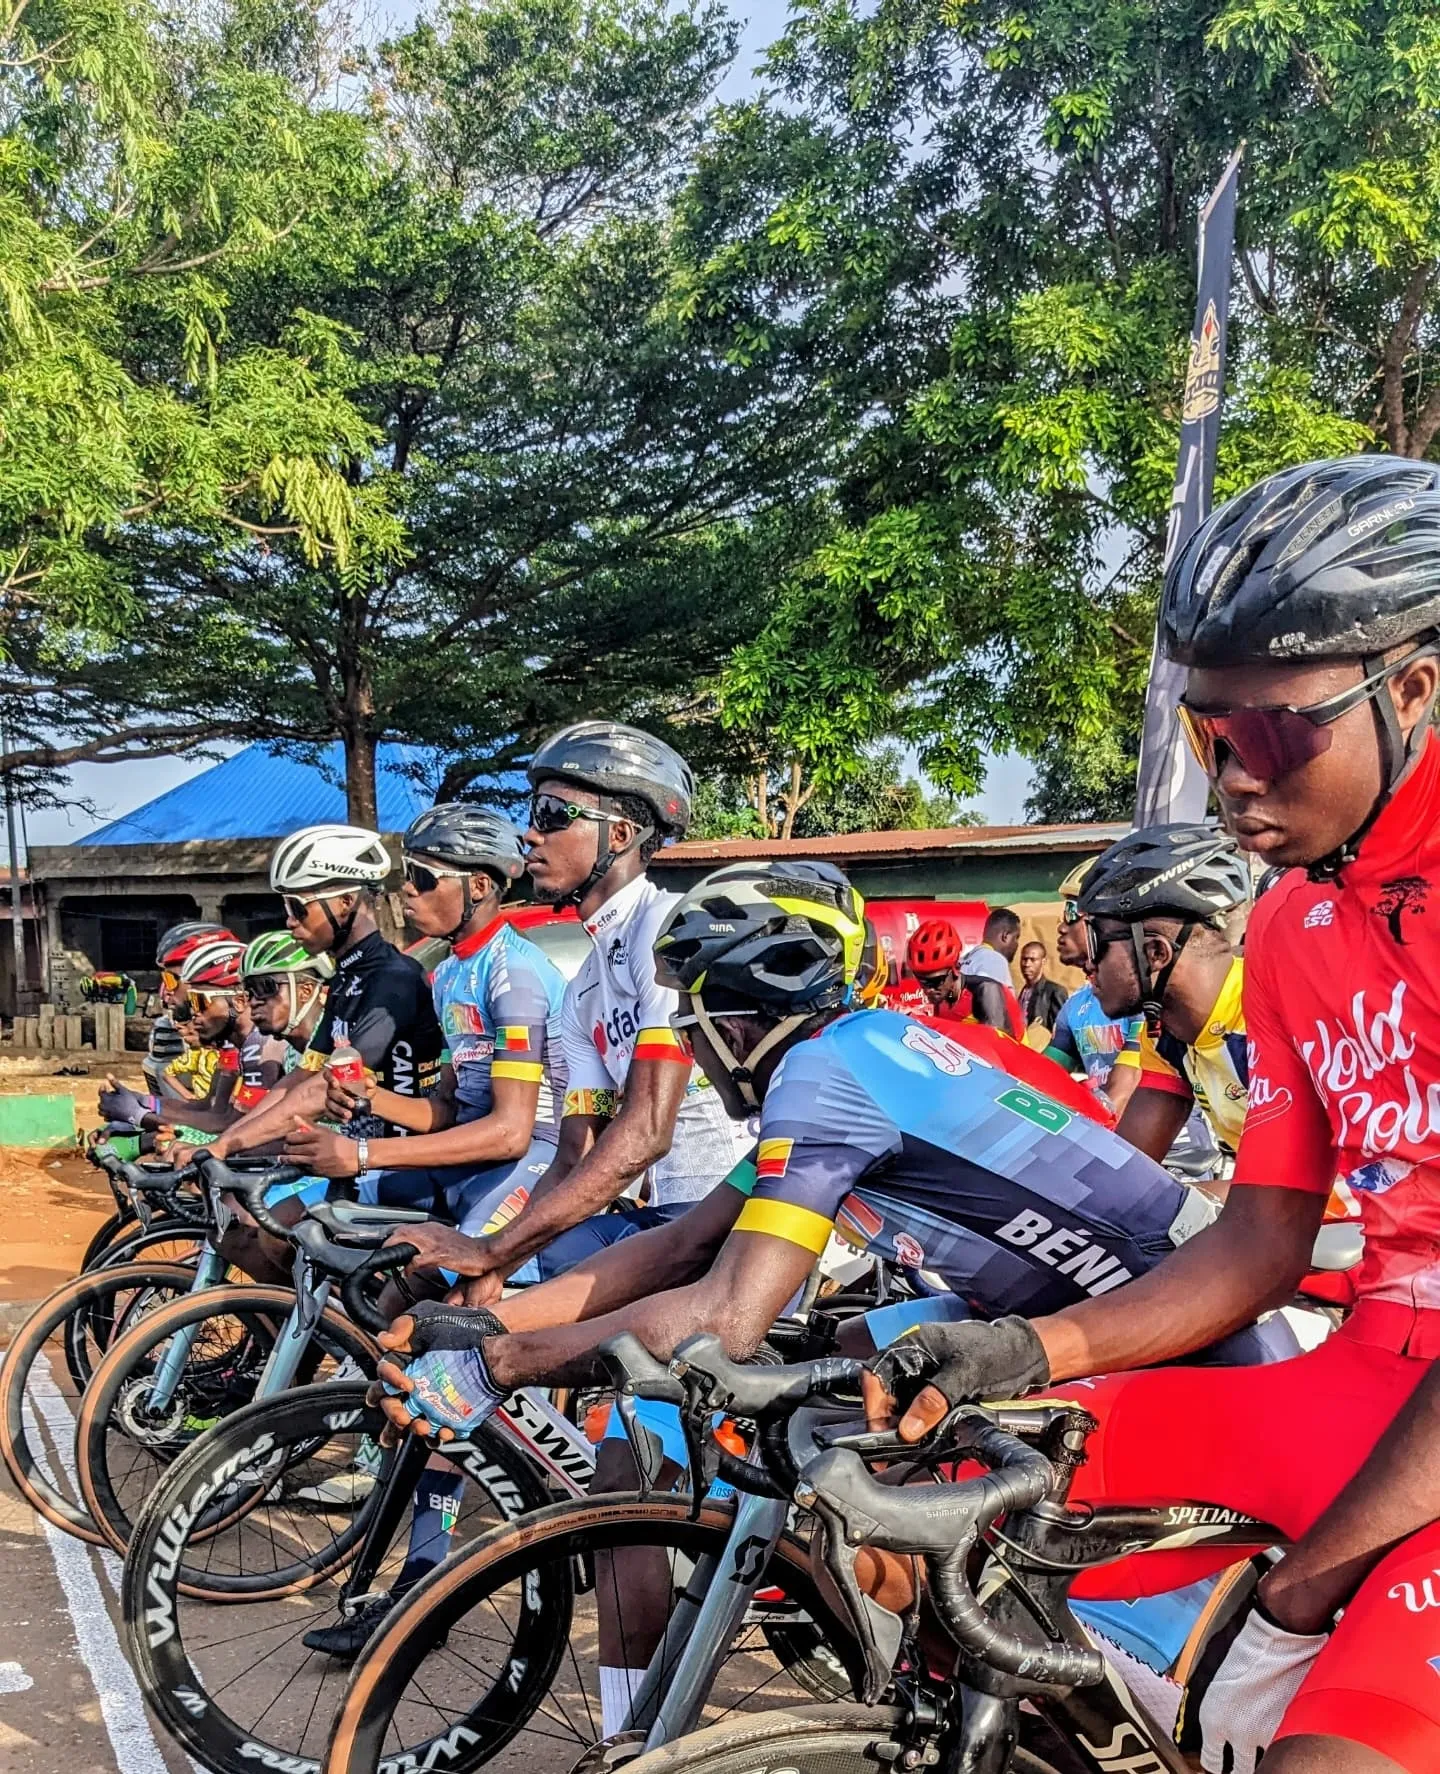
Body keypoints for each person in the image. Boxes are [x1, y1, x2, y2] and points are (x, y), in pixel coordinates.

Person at [870, 454, 1440, 1774]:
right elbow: (1256, 1244)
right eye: (1209, 735)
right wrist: (1022, 1350)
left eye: (1277, 732)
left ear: (1415, 685)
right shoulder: (1295, 923)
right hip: (1365, 1383)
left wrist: (1305, 1588)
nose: (1234, 778)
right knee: (937, 1501)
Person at [368, 858, 1290, 1450]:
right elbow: (680, 1244)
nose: (685, 1046)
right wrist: (499, 1321)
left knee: (877, 1491)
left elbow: (723, 1314)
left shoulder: (823, 1075)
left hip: (1183, 1344)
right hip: (1099, 1302)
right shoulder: (848, 1056)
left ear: (741, 1013)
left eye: (692, 1017)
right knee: (837, 1356)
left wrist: (499, 1366)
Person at [386, 723, 749, 1302]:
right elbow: (574, 1153)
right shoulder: (583, 990)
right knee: (446, 1290)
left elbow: (647, 1133)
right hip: (666, 1218)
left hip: (728, 1225)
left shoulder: (665, 931)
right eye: (532, 811)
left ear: (622, 833)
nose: (529, 835)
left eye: (554, 814)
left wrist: (495, 1251)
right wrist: (496, 1260)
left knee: (491, 1306)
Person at [286, 804, 566, 1239]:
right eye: (406, 877)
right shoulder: (450, 974)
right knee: (294, 1223)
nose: (407, 892)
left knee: (447, 1300)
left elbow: (511, 1132)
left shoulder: (514, 974)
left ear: (477, 885)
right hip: (470, 1159)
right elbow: (449, 1110)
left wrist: (361, 1153)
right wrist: (370, 1096)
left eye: (421, 878)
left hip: (528, 1160)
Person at [1078, 824, 1251, 1163]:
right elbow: (1130, 1174)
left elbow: (1286, 1199)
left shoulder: (1267, 1012)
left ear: (1155, 953)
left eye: (1095, 943)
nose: (1087, 964)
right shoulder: (1163, 1035)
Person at [1044, 859, 1142, 1115]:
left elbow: (1127, 1084)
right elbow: (1043, 1076)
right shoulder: (1074, 1007)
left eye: (1072, 912)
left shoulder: (1142, 1002)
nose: (1061, 926)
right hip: (1110, 1130)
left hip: (1169, 1146)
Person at [906, 917, 1022, 1035]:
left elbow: (1001, 1048)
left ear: (956, 969)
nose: (928, 990)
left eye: (936, 981)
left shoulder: (987, 991)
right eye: (923, 981)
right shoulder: (943, 997)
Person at [1016, 939, 1068, 1032]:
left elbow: (1061, 1031)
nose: (1027, 964)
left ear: (1043, 961)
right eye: (1024, 959)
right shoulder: (1023, 992)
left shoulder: (1054, 991)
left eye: (1033, 960)